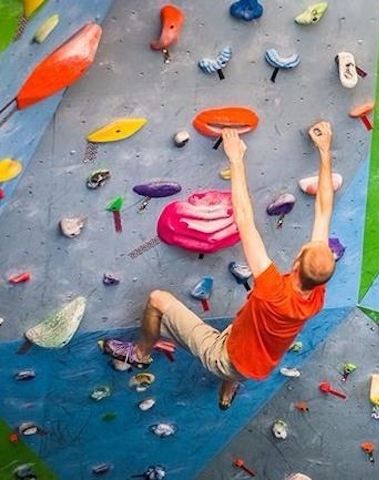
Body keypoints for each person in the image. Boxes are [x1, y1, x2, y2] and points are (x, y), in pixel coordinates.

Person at [101, 121, 336, 409]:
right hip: (261, 361)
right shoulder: (316, 294)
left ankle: (139, 353)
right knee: (244, 334)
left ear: (298, 261)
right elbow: (324, 209)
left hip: (225, 356)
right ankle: (230, 387)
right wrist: (325, 152)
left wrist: (236, 159)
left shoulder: (273, 289)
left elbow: (244, 219)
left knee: (157, 300)